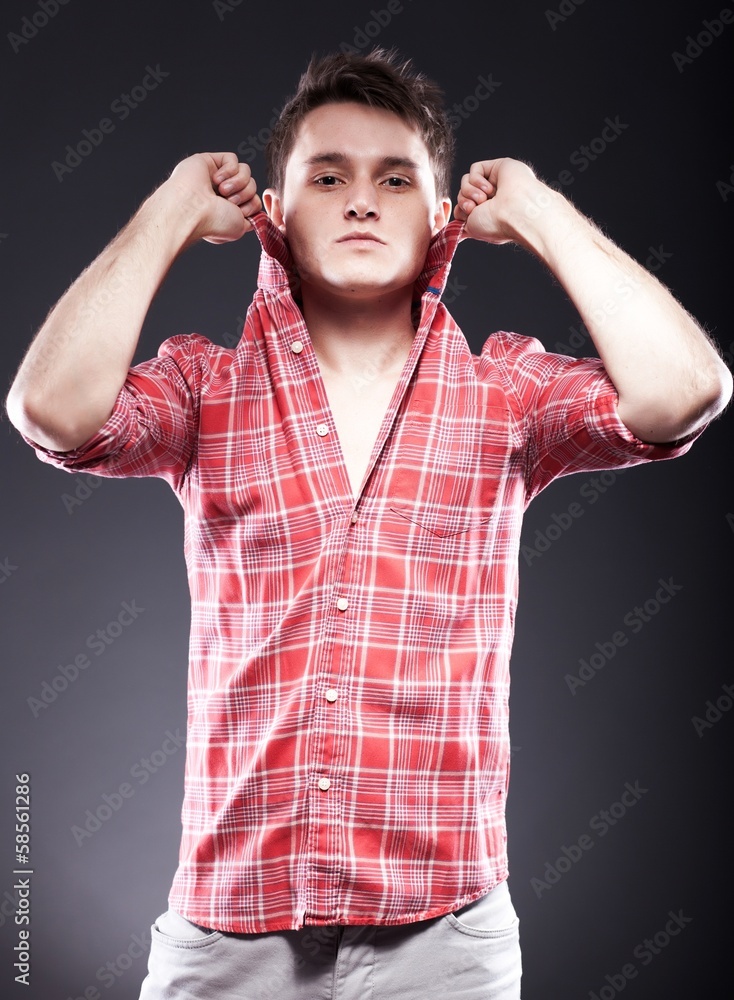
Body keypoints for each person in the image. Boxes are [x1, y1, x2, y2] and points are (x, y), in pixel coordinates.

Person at [6, 48, 731, 1000]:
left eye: (395, 179)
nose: (360, 201)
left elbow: (686, 392)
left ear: (440, 219)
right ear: (273, 210)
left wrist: (542, 211)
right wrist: (176, 207)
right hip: (228, 932)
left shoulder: (504, 391)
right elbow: (51, 412)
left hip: (448, 938)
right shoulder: (203, 385)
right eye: (328, 176)